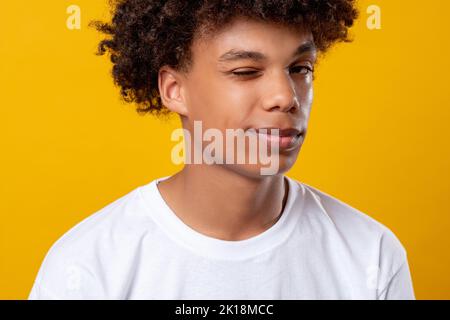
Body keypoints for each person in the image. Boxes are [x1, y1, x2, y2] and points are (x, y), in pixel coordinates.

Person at [29, 0, 415, 299]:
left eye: (301, 68)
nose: (285, 97)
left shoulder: (371, 257)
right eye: (246, 72)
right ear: (174, 90)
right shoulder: (87, 268)